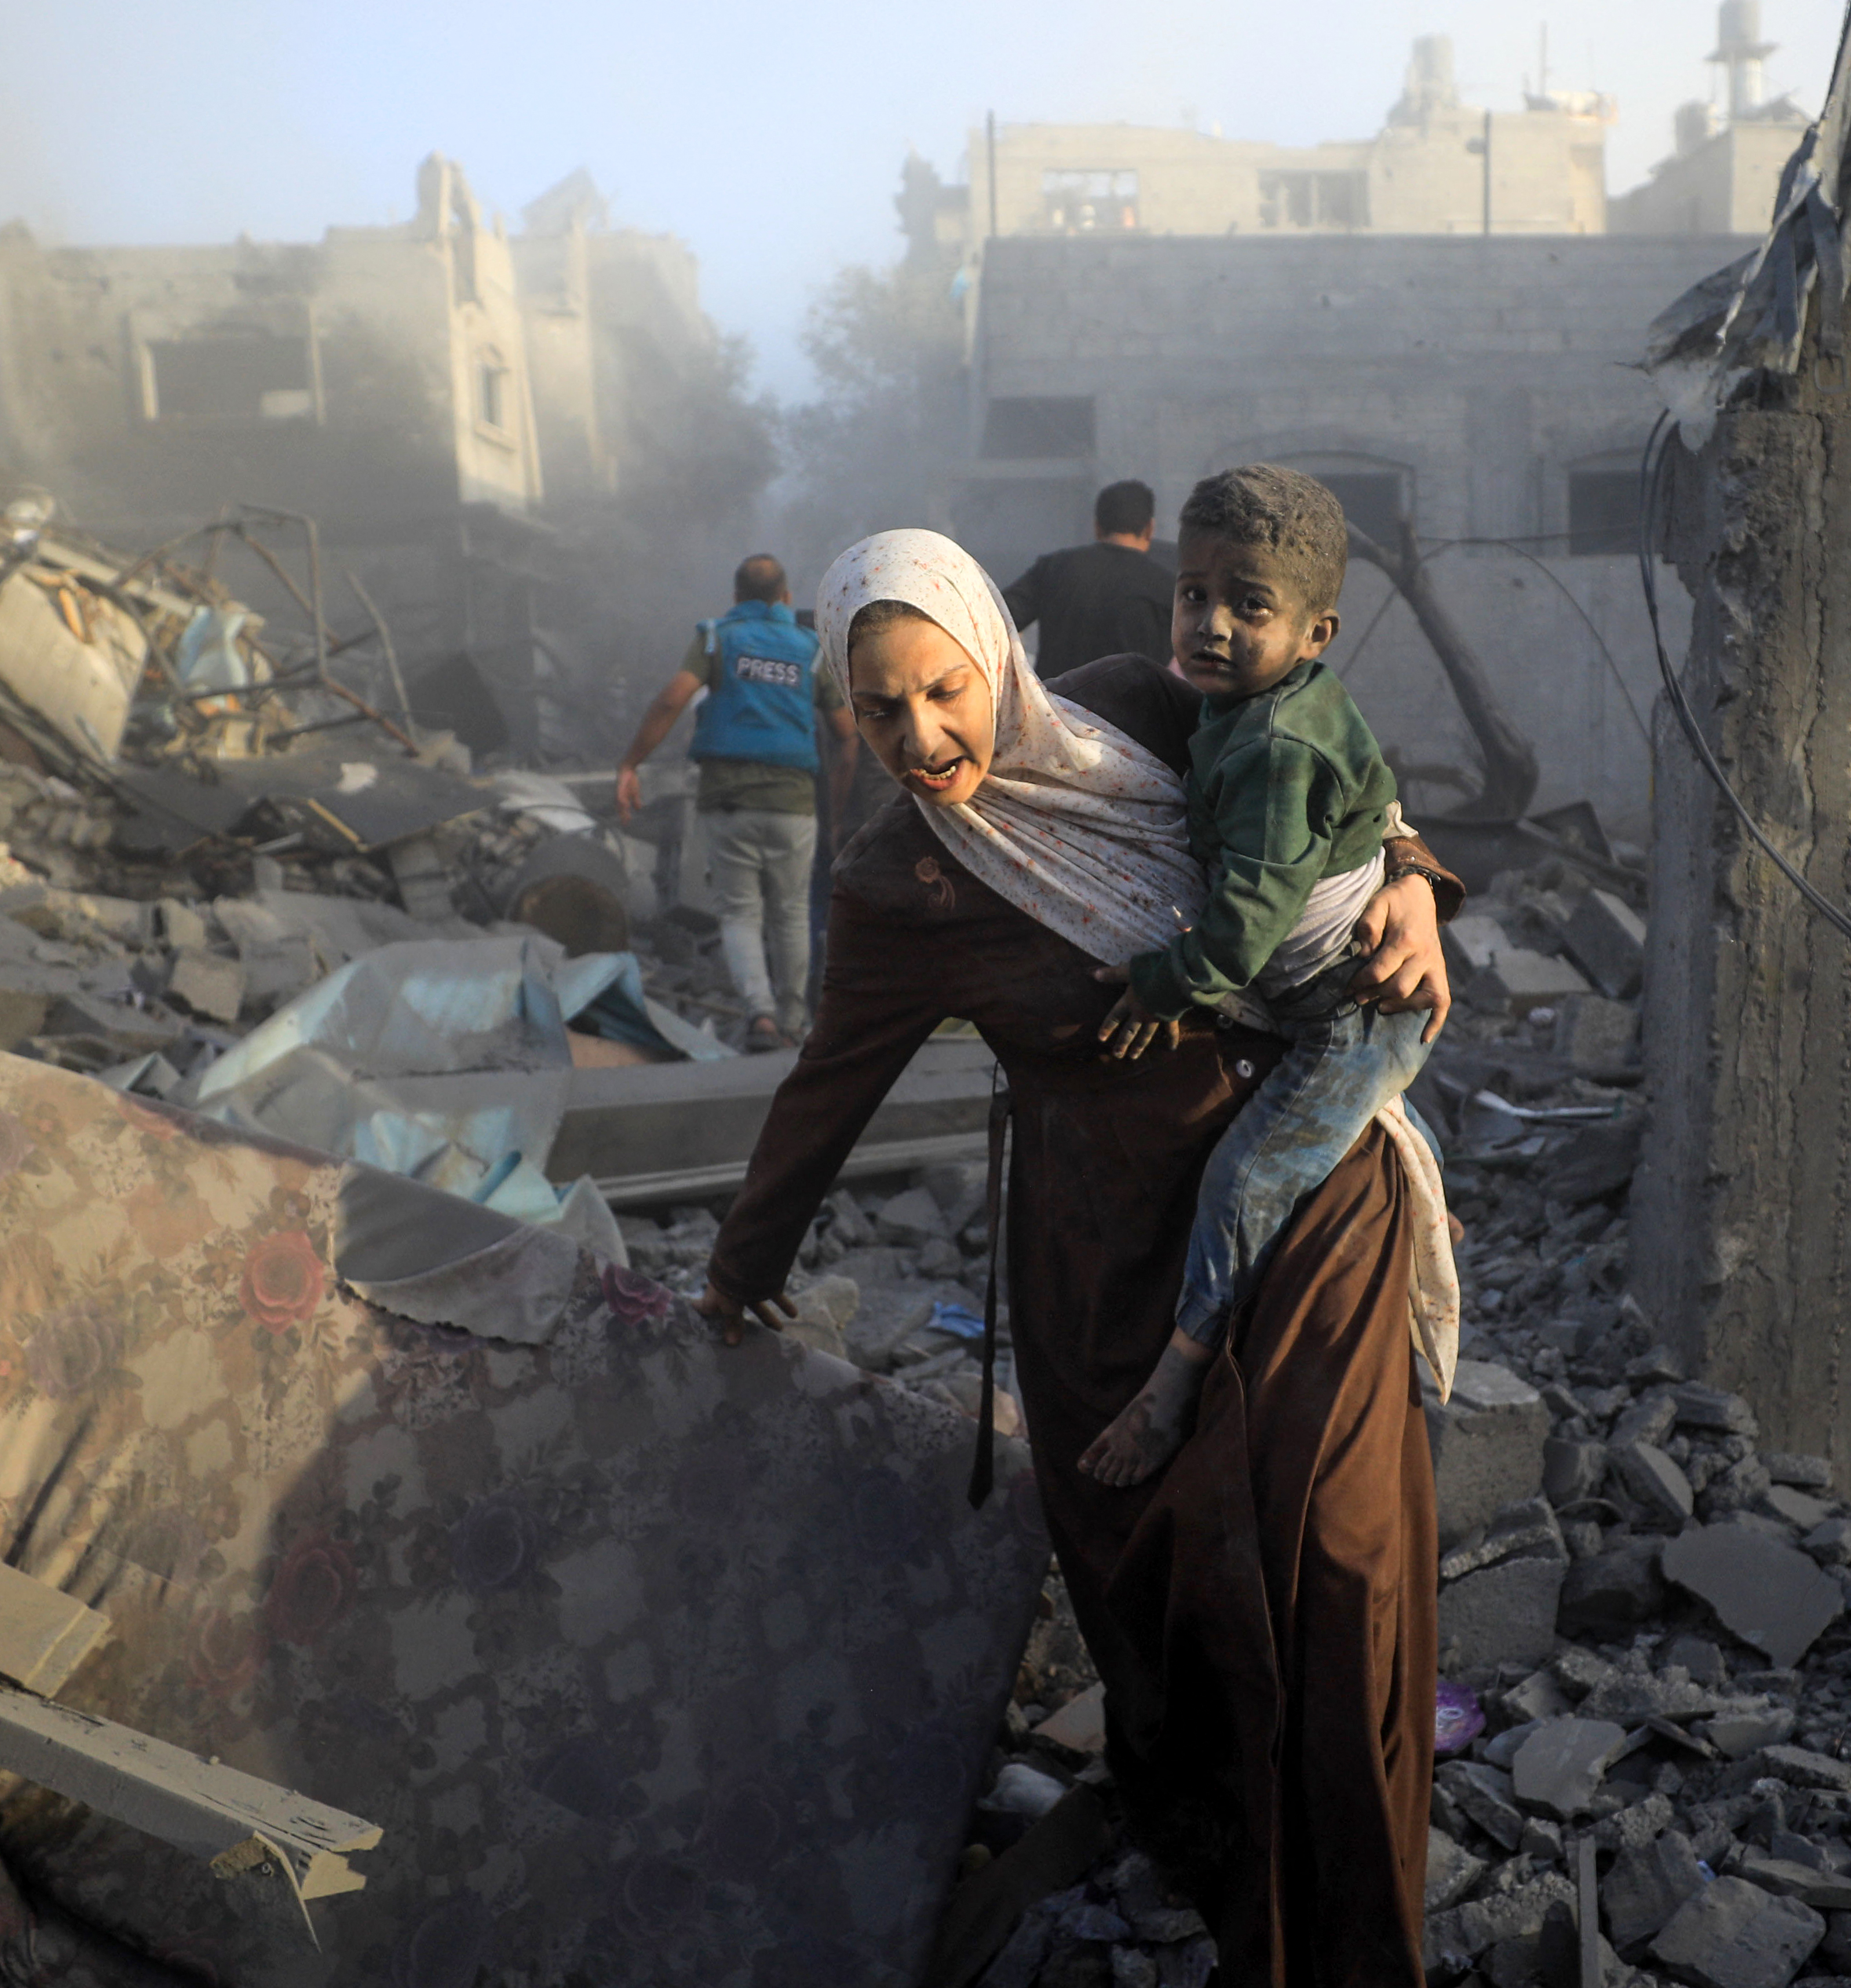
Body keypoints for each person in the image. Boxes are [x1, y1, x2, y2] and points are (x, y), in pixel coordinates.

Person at [702, 529, 1461, 1986]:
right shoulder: (897, 882)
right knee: (1181, 1592)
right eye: (879, 710)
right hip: (1108, 1257)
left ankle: (1359, 1938)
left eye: (944, 691)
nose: (922, 738)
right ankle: (1210, 1865)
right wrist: (738, 1274)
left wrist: (1418, 877)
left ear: (996, 656)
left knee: (1341, 1556)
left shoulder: (1135, 706)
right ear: (843, 710)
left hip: (1309, 1195)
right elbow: (827, 1086)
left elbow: (1327, 766)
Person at [1083, 464, 1440, 1487]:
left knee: (1240, 1183)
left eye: (1250, 606)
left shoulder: (1279, 749)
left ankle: (1173, 1384)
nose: (1211, 625)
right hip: (1329, 991)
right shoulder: (1252, 706)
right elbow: (1374, 795)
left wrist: (1161, 983)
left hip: (1347, 1015)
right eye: (1194, 594)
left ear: (1316, 633)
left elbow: (1241, 934)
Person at [614, 554, 857, 1051]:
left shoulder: (717, 639)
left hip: (728, 802)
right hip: (793, 805)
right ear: (786, 598)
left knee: (741, 914)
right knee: (791, 913)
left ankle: (761, 1017)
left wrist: (630, 764)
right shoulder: (811, 649)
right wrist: (834, 810)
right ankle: (795, 1022)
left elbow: (672, 699)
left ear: (736, 598)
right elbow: (846, 735)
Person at [1002, 479, 1173, 680]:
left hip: (1056, 697)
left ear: (1097, 527)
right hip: (1136, 699)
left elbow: (996, 617)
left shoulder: (1054, 568)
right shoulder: (1167, 586)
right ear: (1150, 529)